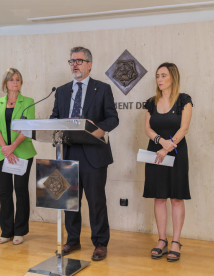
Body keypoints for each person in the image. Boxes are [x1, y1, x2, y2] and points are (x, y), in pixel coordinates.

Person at [50, 46, 119, 261]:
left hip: (94, 154)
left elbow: (112, 119)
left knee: (96, 201)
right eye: (71, 61)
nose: (75, 65)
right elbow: (54, 118)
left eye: (79, 61)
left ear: (89, 64)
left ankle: (100, 243)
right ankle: (72, 240)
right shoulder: (61, 91)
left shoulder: (103, 89)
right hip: (68, 152)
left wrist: (94, 131)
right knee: (69, 201)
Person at [144, 62, 193, 262]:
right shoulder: (151, 101)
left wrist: (167, 147)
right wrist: (159, 142)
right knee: (159, 197)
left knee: (176, 198)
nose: (160, 79)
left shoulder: (184, 100)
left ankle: (176, 241)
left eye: (163, 75)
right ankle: (162, 240)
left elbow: (184, 129)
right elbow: (147, 129)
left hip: (176, 152)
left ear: (173, 77)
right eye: (157, 76)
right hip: (155, 153)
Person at [0, 68, 37, 245]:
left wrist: (13, 147)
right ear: (6, 83)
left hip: (22, 152)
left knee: (21, 190)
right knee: (4, 192)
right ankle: (6, 231)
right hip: (1, 154)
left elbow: (28, 127)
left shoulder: (29, 102)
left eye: (18, 79)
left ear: (21, 82)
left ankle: (20, 231)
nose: (15, 82)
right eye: (11, 80)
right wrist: (5, 148)